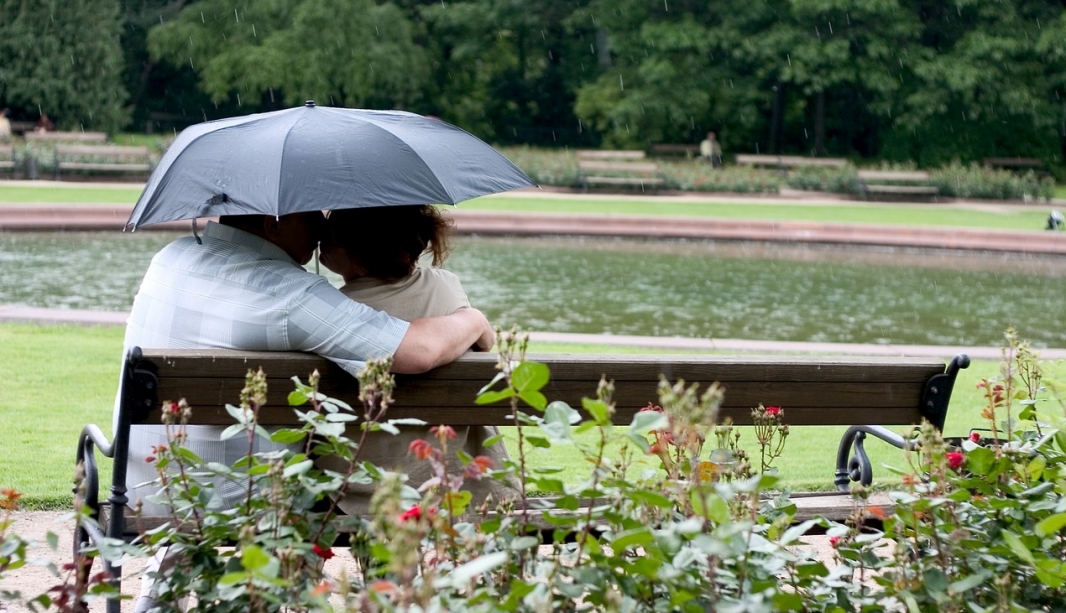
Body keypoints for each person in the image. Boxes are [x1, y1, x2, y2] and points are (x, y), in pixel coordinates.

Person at [122, 211, 494, 611]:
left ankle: (159, 596)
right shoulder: (289, 293)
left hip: (141, 481)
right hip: (241, 496)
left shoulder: (170, 257)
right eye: (310, 211)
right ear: (273, 223)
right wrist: (472, 318)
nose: (321, 222)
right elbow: (417, 352)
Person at [317, 205, 513, 515]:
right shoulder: (447, 288)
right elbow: (487, 345)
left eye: (328, 237)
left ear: (360, 256)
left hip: (355, 488)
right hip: (448, 477)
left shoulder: (335, 310)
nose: (319, 241)